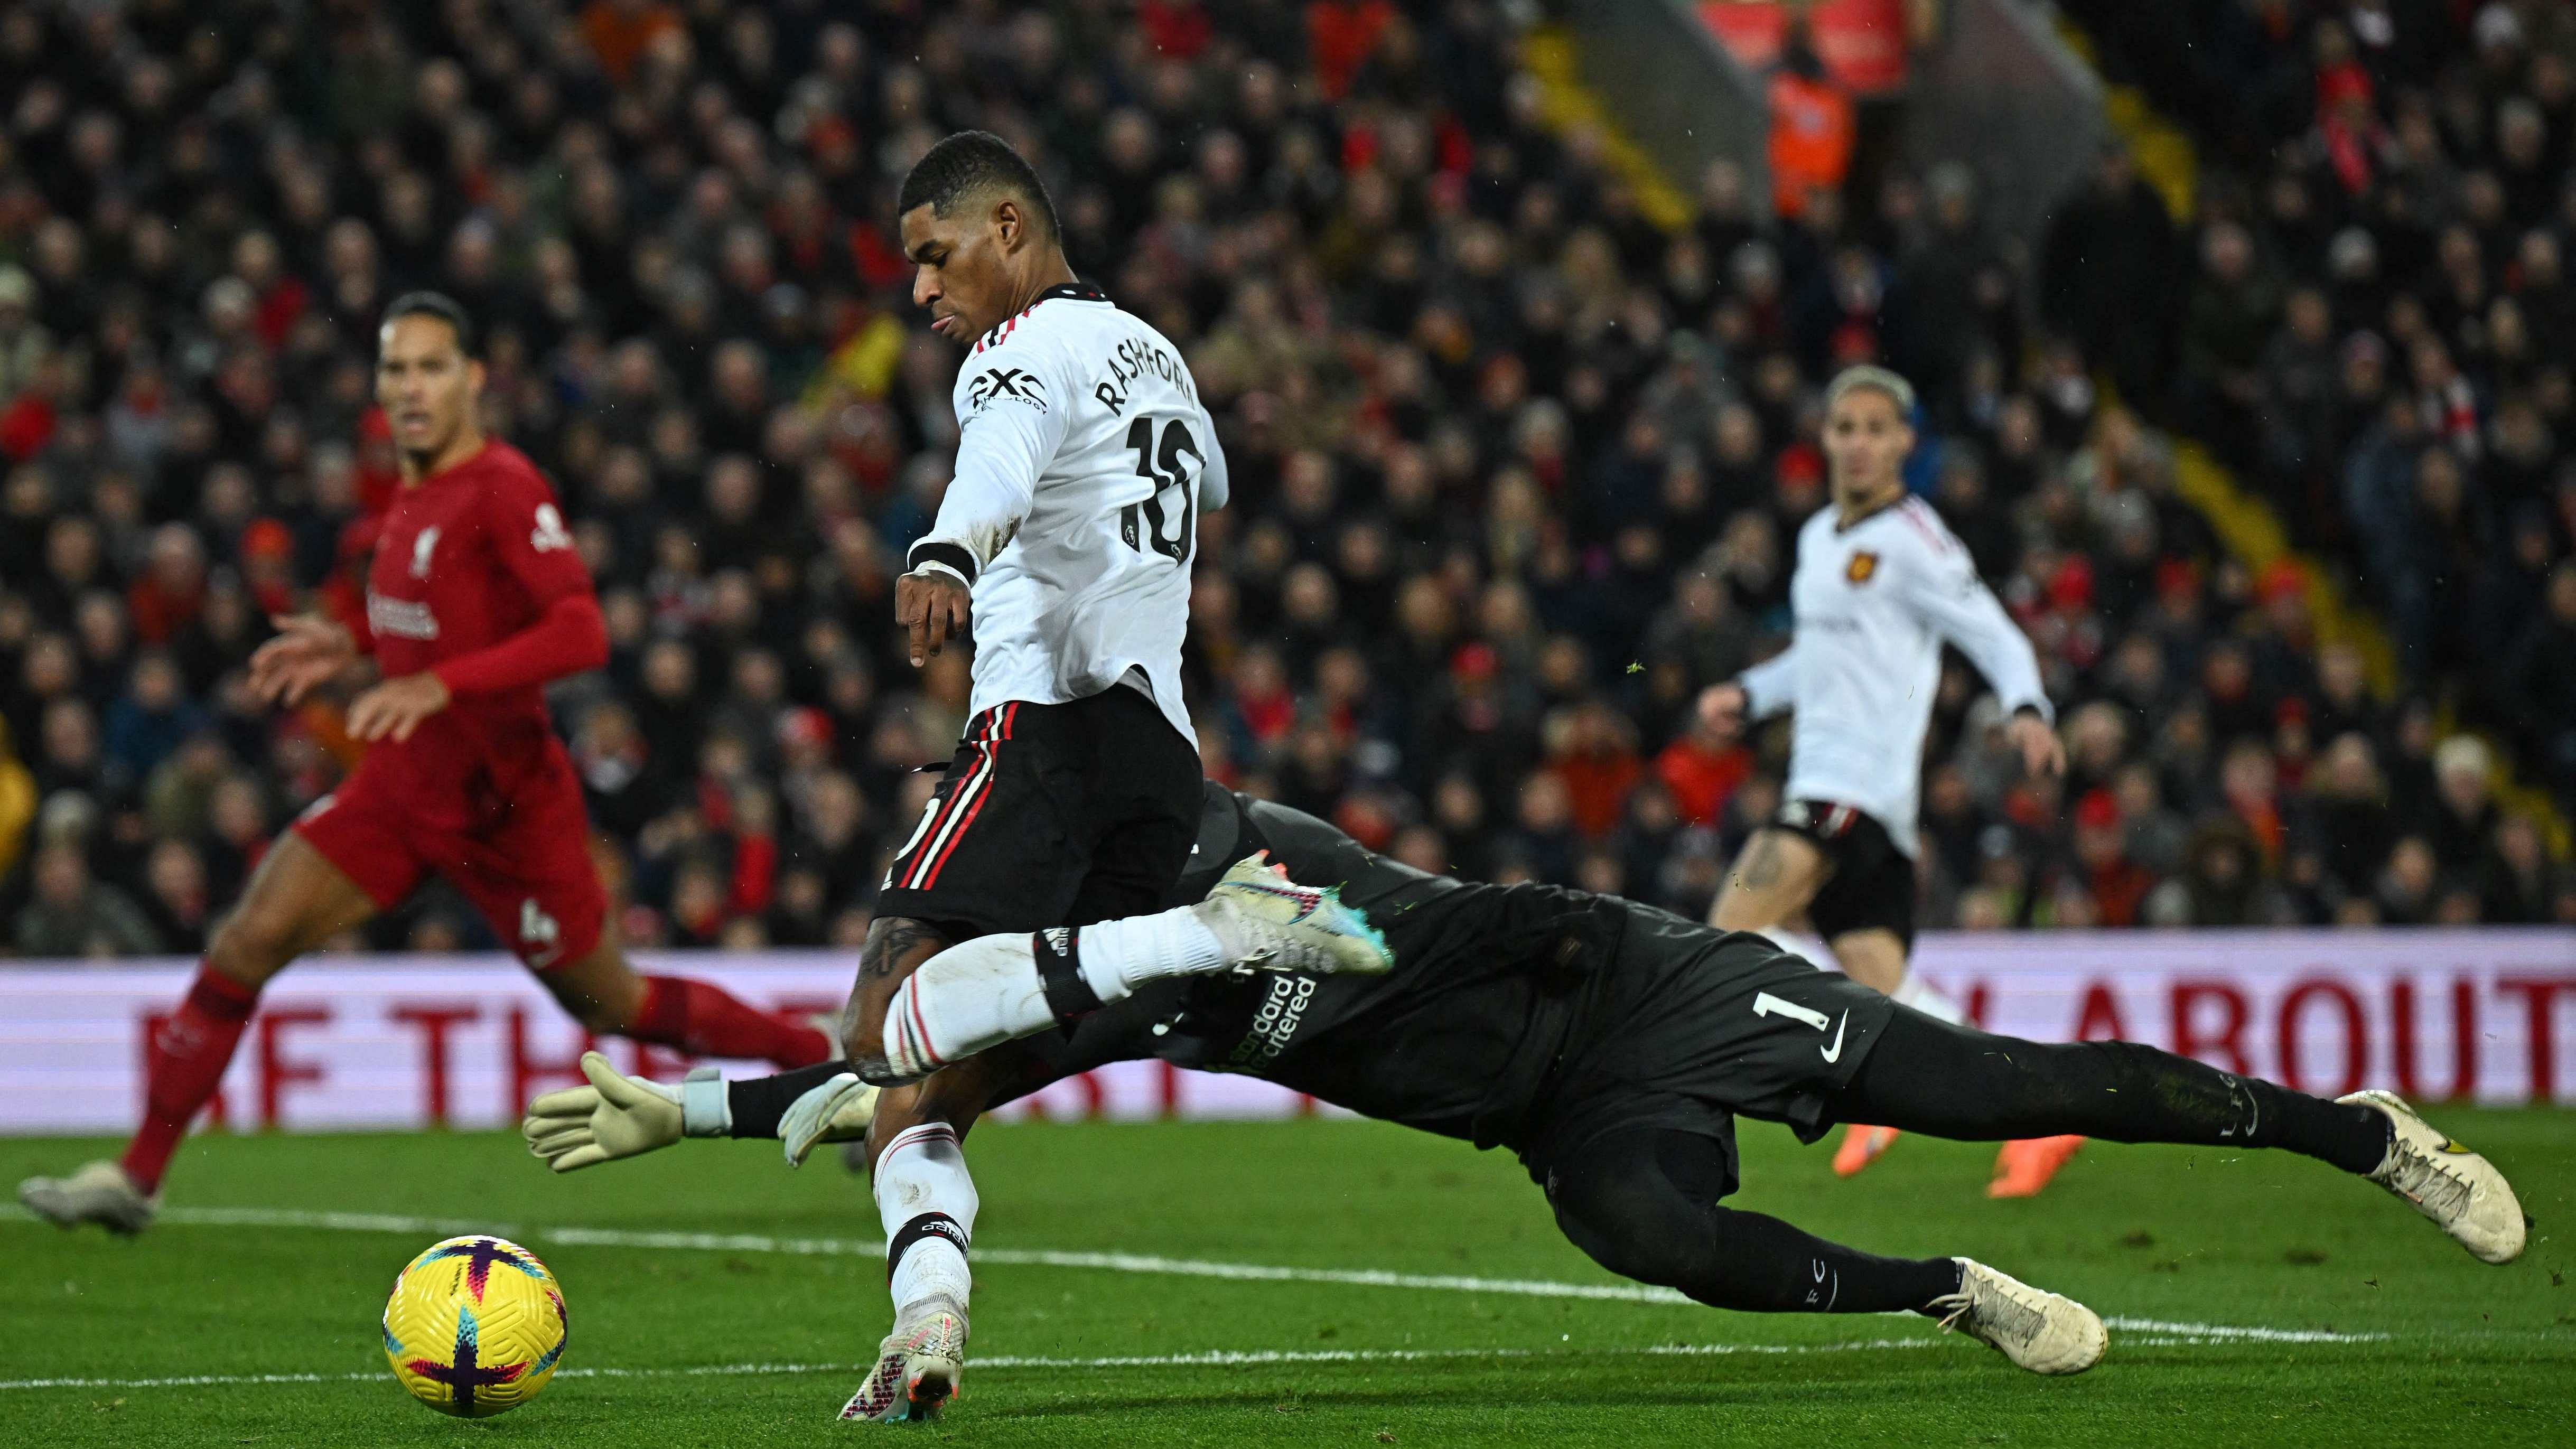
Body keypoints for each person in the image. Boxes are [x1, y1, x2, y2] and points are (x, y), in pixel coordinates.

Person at [524, 782, 2526, 1420]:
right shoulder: (1113, 971)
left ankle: (2360, 1136)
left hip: (1659, 989)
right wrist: (695, 1110)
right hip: (1559, 1118)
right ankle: (1940, 1288)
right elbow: (917, 1072)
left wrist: (1550, 942)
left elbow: (1443, 928)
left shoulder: (1255, 860)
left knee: (2004, 1077)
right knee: (1646, 1236)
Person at [17, 292, 832, 1236]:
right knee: (247, 941)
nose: (411, 387)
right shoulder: (406, 496)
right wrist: (350, 644)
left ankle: (809, 1054)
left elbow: (580, 631)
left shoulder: (502, 486)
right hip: (403, 790)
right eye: (396, 369)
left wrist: (442, 686)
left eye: (432, 367)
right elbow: (433, 614)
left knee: (615, 1002)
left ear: (474, 379)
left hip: (507, 809)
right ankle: (136, 1178)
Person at [830, 130, 1231, 1419]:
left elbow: (994, 463)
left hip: (1046, 730)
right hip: (1161, 761)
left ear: (1009, 227)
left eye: (933, 256)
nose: (921, 294)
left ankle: (1195, 946)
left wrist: (946, 552)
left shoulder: (1017, 353)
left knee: (875, 1024)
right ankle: (924, 1320)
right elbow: (1205, 481)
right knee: (924, 1093)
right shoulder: (1154, 355)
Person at [1694, 365, 2078, 1193]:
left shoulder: (1914, 539)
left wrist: (2028, 706)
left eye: (1877, 428)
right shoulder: (1819, 540)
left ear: (1906, 442)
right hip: (1849, 796)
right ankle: (2044, 1116)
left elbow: (1994, 631)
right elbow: (1819, 660)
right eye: (1845, 428)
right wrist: (1752, 695)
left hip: (1851, 788)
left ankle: (1729, 1100)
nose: (1860, 443)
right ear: (1825, 440)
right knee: (1887, 990)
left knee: (1729, 933)